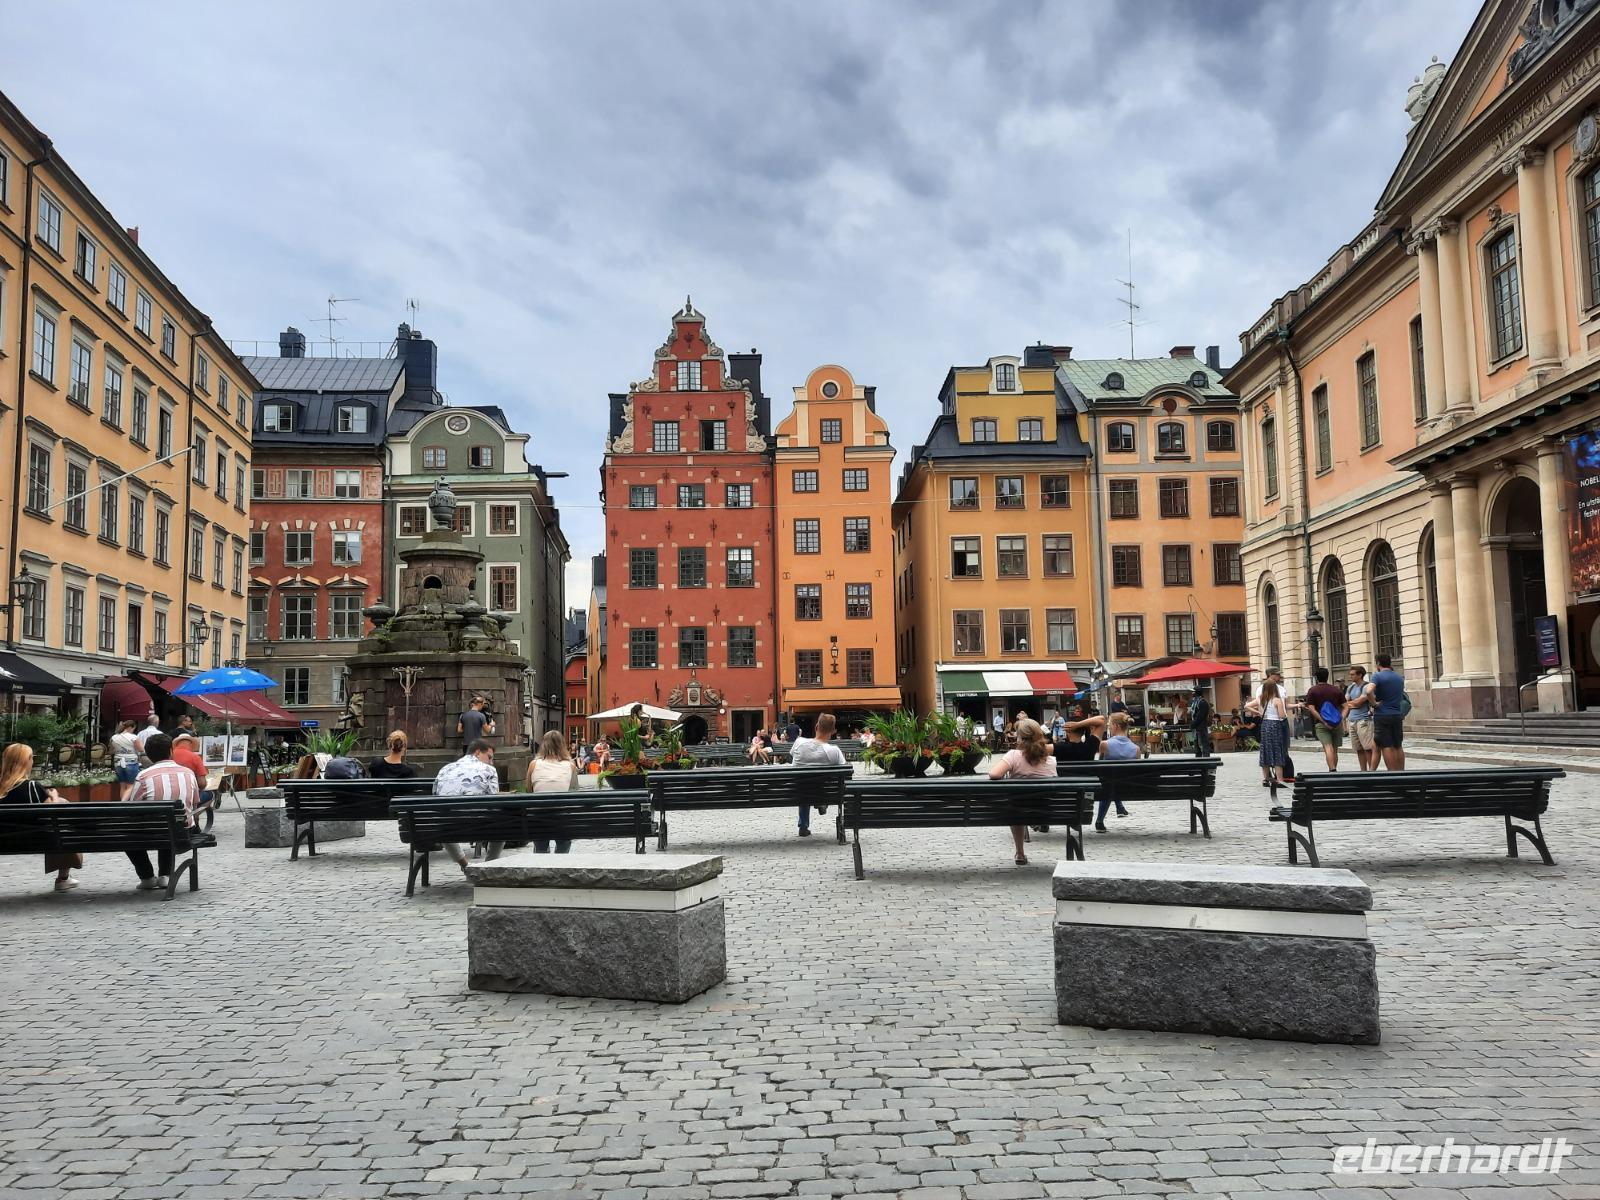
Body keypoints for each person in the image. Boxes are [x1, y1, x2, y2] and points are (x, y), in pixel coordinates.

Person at [0, 743, 79, 891]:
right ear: (26, 761)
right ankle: (63, 878)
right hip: (34, 839)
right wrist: (54, 797)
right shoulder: (32, 787)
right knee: (62, 829)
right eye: (31, 758)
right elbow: (53, 815)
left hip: (4, 839)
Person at [125, 734, 199, 892]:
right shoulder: (188, 773)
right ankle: (165, 874)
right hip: (182, 831)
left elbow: (133, 808)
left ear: (149, 755)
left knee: (132, 833)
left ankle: (147, 877)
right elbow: (194, 803)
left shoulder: (143, 776)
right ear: (171, 751)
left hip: (152, 832)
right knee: (170, 823)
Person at [987, 717, 1055, 866]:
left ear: (1020, 737)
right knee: (1022, 805)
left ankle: (1020, 852)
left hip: (1018, 810)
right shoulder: (1050, 760)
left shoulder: (1013, 755)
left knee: (1015, 807)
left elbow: (994, 774)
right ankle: (1034, 822)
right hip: (1045, 810)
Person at [434, 740, 502, 874]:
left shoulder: (445, 769)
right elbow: (495, 802)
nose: (491, 762)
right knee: (503, 825)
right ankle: (487, 869)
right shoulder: (490, 770)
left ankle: (465, 865)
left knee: (443, 821)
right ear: (477, 752)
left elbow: (436, 797)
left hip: (447, 827)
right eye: (489, 757)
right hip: (479, 825)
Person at [788, 712, 847, 838]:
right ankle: (822, 802)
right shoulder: (834, 751)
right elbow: (845, 771)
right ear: (833, 731)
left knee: (803, 782)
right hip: (823, 792)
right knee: (819, 782)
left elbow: (793, 756)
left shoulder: (799, 743)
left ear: (816, 727)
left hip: (798, 791)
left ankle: (803, 826)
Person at [527, 730, 578, 853]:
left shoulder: (533, 764)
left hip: (539, 818)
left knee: (540, 841)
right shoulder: (570, 765)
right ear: (562, 745)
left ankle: (541, 854)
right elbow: (574, 792)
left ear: (543, 745)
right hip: (562, 819)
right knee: (564, 840)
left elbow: (529, 792)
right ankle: (560, 857)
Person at [1088, 714, 1136, 831]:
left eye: (1109, 725)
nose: (1109, 728)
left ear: (1115, 726)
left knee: (1109, 782)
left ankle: (1100, 820)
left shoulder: (1104, 745)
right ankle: (1119, 807)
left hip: (1106, 788)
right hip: (1129, 788)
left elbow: (1100, 767)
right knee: (1114, 782)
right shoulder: (1136, 749)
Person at [1303, 667, 1347, 771]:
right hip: (1336, 723)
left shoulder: (1313, 690)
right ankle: (1334, 769)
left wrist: (1323, 721)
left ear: (1316, 678)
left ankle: (1332, 770)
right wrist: (1341, 719)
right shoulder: (1336, 689)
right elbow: (1346, 706)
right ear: (1328, 676)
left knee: (1328, 747)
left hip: (1321, 724)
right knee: (1334, 749)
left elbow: (1312, 709)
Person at [1368, 654, 1407, 771]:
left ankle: (1392, 773)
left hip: (1382, 715)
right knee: (1398, 745)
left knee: (1386, 745)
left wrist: (1374, 704)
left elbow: (1368, 690)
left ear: (1378, 663)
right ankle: (1401, 772)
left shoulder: (1377, 676)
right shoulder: (1399, 677)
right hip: (1396, 714)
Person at [1257, 680, 1290, 791]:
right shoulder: (1277, 700)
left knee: (1265, 750)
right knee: (1277, 750)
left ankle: (1266, 779)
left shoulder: (1261, 699)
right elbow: (1282, 715)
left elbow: (1258, 712)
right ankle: (1280, 779)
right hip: (1275, 725)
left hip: (1265, 725)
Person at [1344, 665, 1377, 771]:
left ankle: (1371, 772)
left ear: (1360, 675)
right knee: (1358, 749)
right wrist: (1350, 704)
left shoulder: (1366, 686)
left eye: (1353, 674)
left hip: (1363, 720)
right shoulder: (1351, 687)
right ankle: (1363, 771)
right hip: (1352, 720)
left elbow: (1359, 702)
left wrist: (1349, 704)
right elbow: (1344, 703)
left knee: (1367, 748)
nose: (1350, 676)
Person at [110, 719, 142, 800]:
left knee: (122, 785)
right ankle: (123, 805)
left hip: (117, 762)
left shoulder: (114, 737)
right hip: (131, 762)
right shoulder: (134, 737)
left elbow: (111, 750)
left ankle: (123, 801)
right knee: (130, 786)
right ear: (132, 727)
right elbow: (141, 749)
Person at [1188, 690, 1213, 757]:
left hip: (1201, 726)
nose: (1192, 693)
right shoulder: (1195, 702)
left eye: (1193, 692)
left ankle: (1206, 760)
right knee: (1197, 746)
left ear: (1196, 693)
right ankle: (1198, 759)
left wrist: (1193, 724)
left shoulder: (1202, 702)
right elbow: (1194, 714)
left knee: (1203, 744)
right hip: (1196, 727)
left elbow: (1200, 716)